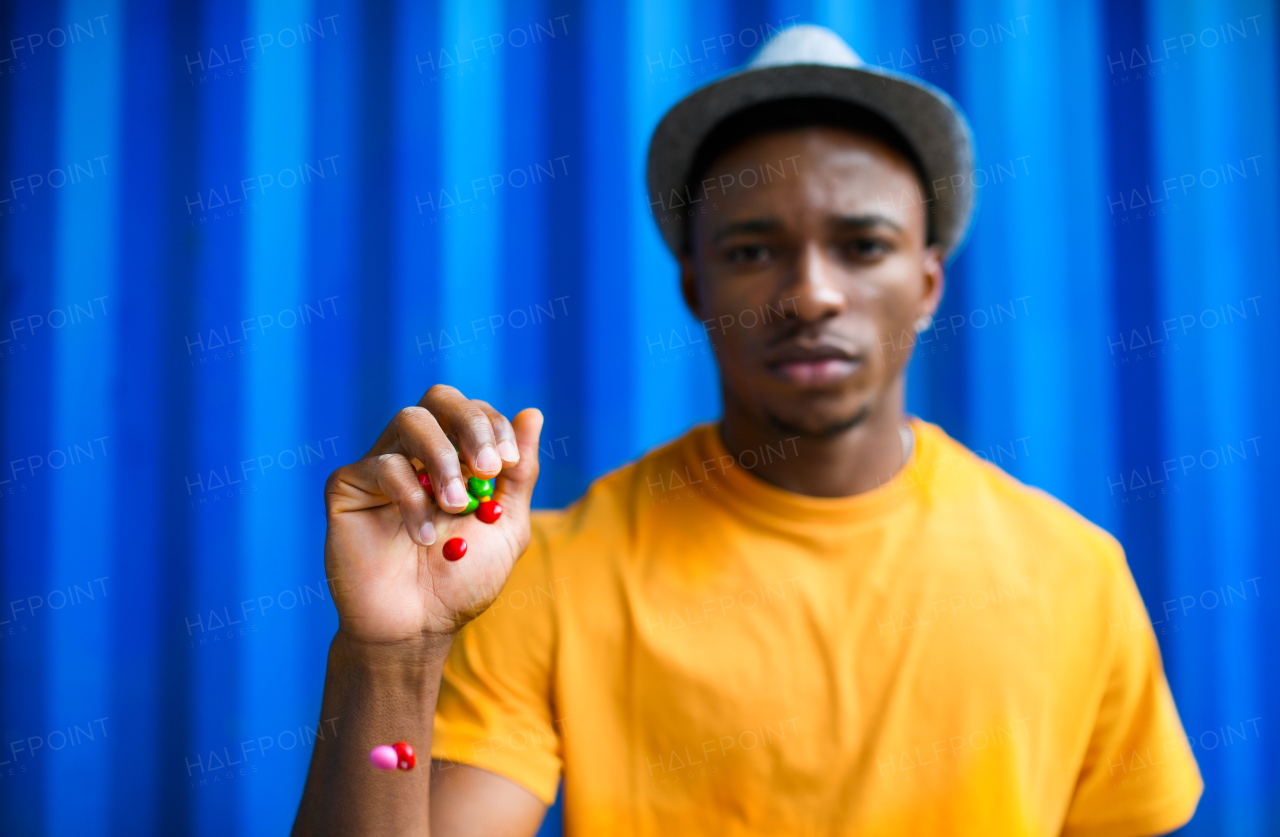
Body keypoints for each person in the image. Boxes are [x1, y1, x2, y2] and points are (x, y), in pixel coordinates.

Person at [292, 25, 1201, 837]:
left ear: (928, 285)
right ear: (695, 288)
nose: (811, 293)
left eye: (864, 245)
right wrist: (392, 651)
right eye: (752, 250)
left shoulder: (1075, 574)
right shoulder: (553, 578)